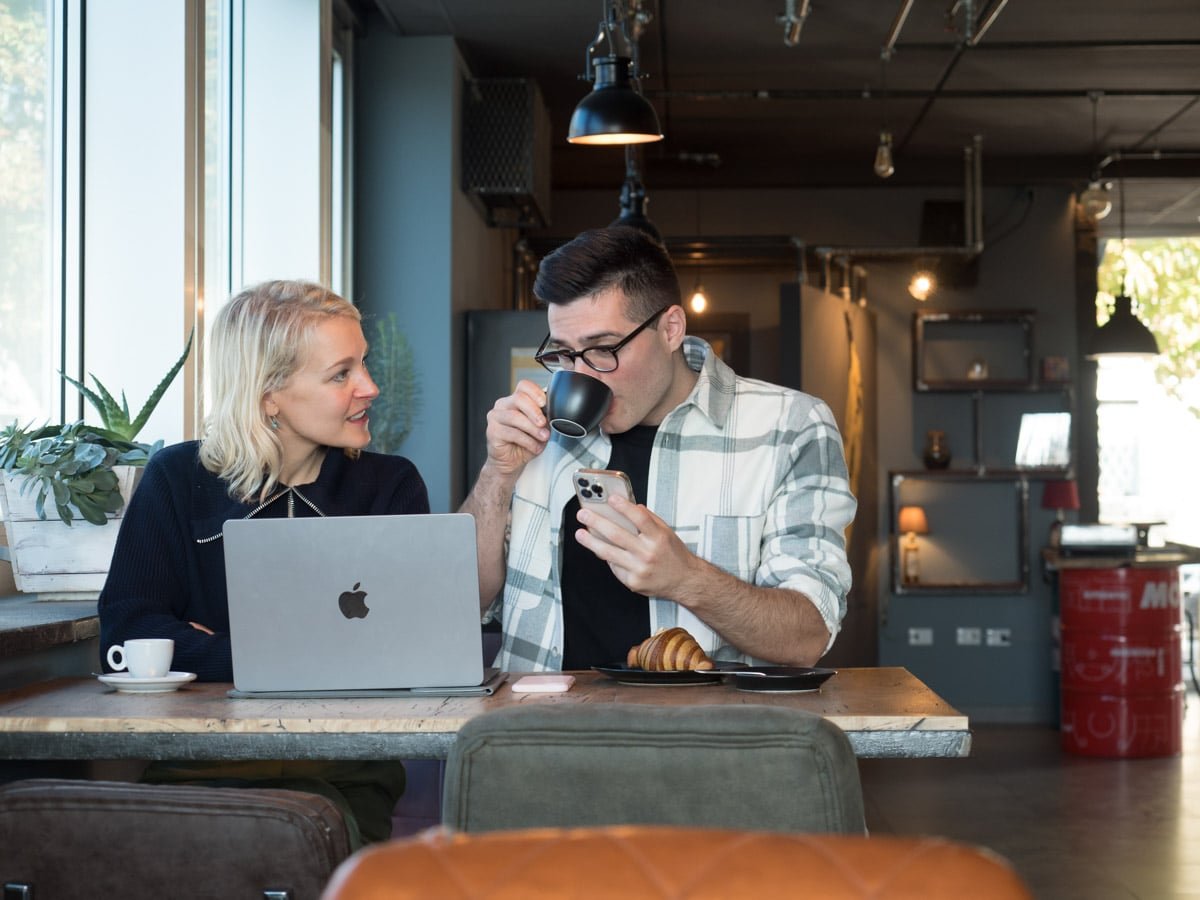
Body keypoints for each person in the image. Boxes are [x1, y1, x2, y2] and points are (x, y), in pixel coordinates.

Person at [98, 279, 428, 847]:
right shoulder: (177, 479)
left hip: (344, 772)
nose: (370, 387)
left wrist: (210, 649)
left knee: (296, 845)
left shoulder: (390, 485)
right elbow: (128, 635)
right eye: (340, 374)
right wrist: (302, 656)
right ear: (268, 393)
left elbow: (407, 649)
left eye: (363, 365)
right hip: (199, 768)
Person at [461, 225, 855, 672]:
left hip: (703, 736)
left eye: (603, 349)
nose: (582, 376)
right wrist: (496, 474)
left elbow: (808, 635)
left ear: (671, 329)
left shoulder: (791, 428)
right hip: (538, 732)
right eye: (564, 354)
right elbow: (461, 605)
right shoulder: (538, 430)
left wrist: (687, 579)